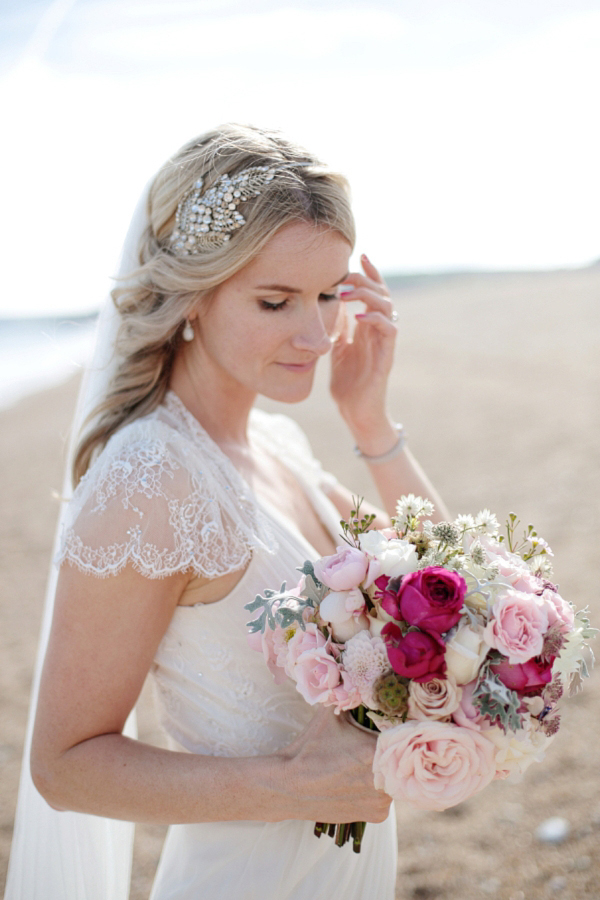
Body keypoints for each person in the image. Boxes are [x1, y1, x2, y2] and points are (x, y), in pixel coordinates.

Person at [6, 123, 448, 899]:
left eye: (328, 293)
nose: (316, 335)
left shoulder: (276, 443)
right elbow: (65, 765)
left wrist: (371, 425)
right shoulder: (151, 482)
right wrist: (289, 784)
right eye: (276, 300)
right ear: (191, 296)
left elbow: (450, 592)